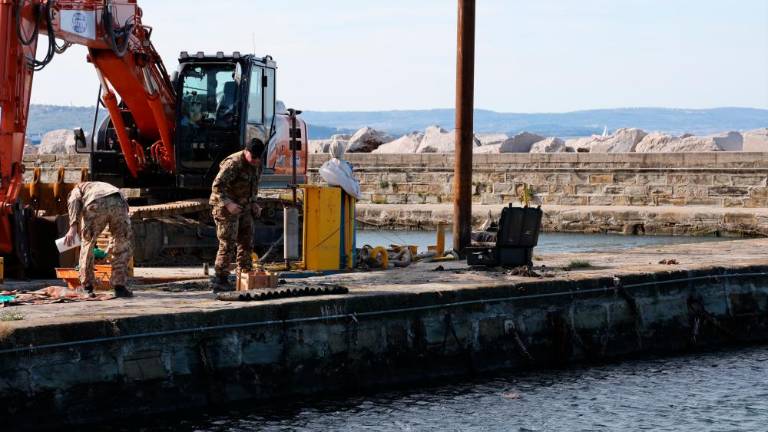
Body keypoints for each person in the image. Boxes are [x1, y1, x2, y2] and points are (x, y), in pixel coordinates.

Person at [209, 139, 264, 292]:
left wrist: (254, 203)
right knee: (228, 243)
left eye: (258, 158)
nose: (256, 161)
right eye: (253, 158)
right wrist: (228, 204)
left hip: (243, 206)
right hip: (225, 207)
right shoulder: (233, 164)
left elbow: (253, 186)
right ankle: (220, 279)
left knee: (247, 241)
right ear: (246, 152)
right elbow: (217, 187)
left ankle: (245, 275)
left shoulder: (257, 163)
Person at [64, 181, 133, 298]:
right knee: (121, 243)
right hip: (118, 201)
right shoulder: (103, 185)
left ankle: (87, 287)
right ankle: (120, 287)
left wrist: (73, 227)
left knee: (88, 243)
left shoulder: (77, 188)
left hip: (96, 203)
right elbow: (125, 204)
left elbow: (73, 200)